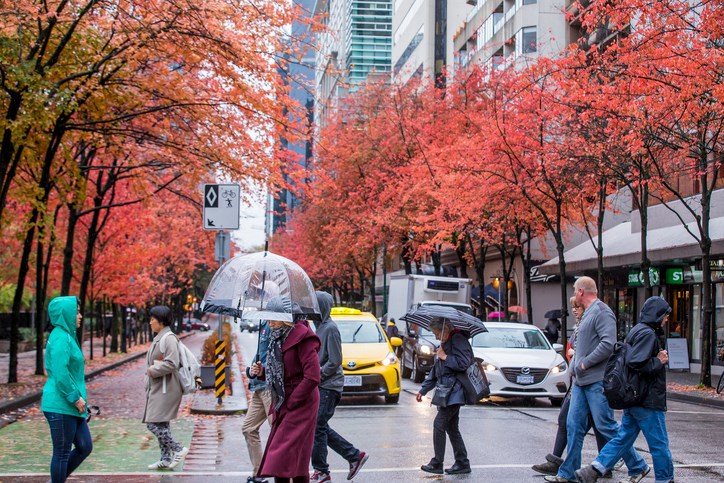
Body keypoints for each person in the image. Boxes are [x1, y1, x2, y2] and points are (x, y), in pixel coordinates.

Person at [545, 276, 648, 483]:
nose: (574, 294)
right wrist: (576, 367)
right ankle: (567, 474)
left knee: (606, 426)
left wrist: (584, 363)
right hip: (581, 382)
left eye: (575, 290)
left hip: (596, 382)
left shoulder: (602, 312)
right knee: (574, 426)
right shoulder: (589, 314)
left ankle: (638, 465)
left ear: (581, 291)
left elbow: (608, 344)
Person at [575, 297, 674, 483]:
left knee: (623, 439)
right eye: (665, 315)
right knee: (659, 444)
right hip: (647, 399)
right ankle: (665, 479)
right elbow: (636, 362)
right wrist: (658, 361)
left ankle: (595, 469)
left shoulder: (637, 330)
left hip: (634, 398)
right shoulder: (648, 334)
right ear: (658, 315)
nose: (667, 319)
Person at [532, 296, 611, 477]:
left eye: (577, 306)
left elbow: (604, 346)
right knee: (570, 422)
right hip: (579, 381)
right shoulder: (580, 325)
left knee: (601, 426)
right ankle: (562, 464)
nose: (575, 310)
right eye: (572, 307)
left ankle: (617, 463)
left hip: (590, 380)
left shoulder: (596, 319)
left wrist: (580, 359)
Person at [251, 297, 321, 483]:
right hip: (283, 399)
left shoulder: (304, 337)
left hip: (302, 402)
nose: (269, 321)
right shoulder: (277, 337)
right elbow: (281, 372)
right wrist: (262, 372)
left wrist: (292, 401)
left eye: (273, 316)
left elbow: (313, 376)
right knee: (291, 460)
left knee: (281, 457)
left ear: (286, 317)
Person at [310, 292, 369, 483]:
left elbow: (335, 361)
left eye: (315, 306)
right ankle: (353, 456)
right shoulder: (318, 328)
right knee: (319, 426)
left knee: (317, 426)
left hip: (330, 386)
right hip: (322, 385)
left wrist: (318, 374)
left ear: (322, 308)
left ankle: (322, 471)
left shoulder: (330, 329)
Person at [42, 296, 93, 483]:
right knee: (62, 453)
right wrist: (75, 398)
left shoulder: (68, 337)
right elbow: (60, 372)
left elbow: (72, 374)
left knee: (84, 446)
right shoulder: (61, 337)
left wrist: (80, 401)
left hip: (72, 405)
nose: (80, 316)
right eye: (76, 312)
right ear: (66, 313)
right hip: (60, 404)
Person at [415, 317, 474, 476]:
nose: (435, 336)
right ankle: (462, 462)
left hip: (455, 392)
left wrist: (445, 356)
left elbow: (463, 363)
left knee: (439, 424)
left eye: (436, 333)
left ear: (445, 329)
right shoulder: (446, 343)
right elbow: (436, 370)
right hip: (447, 391)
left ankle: (437, 463)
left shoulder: (458, 339)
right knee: (451, 428)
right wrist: (423, 389)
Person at [143, 305, 189, 470]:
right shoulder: (160, 337)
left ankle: (178, 449)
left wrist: (152, 370)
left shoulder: (168, 338)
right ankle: (165, 459)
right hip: (160, 386)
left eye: (153, 319)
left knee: (152, 423)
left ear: (161, 321)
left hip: (166, 387)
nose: (150, 322)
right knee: (162, 424)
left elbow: (172, 363)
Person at [244, 319, 272, 483]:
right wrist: (251, 371)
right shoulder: (264, 322)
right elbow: (260, 353)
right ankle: (259, 473)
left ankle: (287, 477)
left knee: (278, 434)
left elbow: (277, 354)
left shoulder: (276, 323)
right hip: (258, 385)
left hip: (269, 387)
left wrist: (264, 370)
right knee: (248, 428)